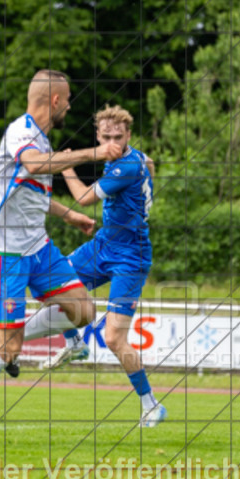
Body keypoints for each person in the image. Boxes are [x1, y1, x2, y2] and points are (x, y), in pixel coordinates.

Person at [0, 69, 123, 442]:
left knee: (84, 310)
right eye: (68, 99)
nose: (70, 105)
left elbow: (32, 192)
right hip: (5, 255)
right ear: (55, 100)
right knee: (8, 350)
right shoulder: (20, 132)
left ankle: (16, 334)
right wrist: (95, 153)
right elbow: (35, 165)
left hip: (38, 248)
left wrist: (70, 215)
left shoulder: (39, 137)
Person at [25, 104, 165, 427]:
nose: (113, 143)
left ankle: (151, 404)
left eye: (119, 137)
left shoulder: (126, 167)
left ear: (128, 135)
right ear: (98, 136)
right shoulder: (139, 159)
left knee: (114, 338)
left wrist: (66, 167)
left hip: (131, 255)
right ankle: (75, 344)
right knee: (48, 280)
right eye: (107, 138)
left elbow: (84, 198)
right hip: (104, 244)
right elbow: (150, 165)